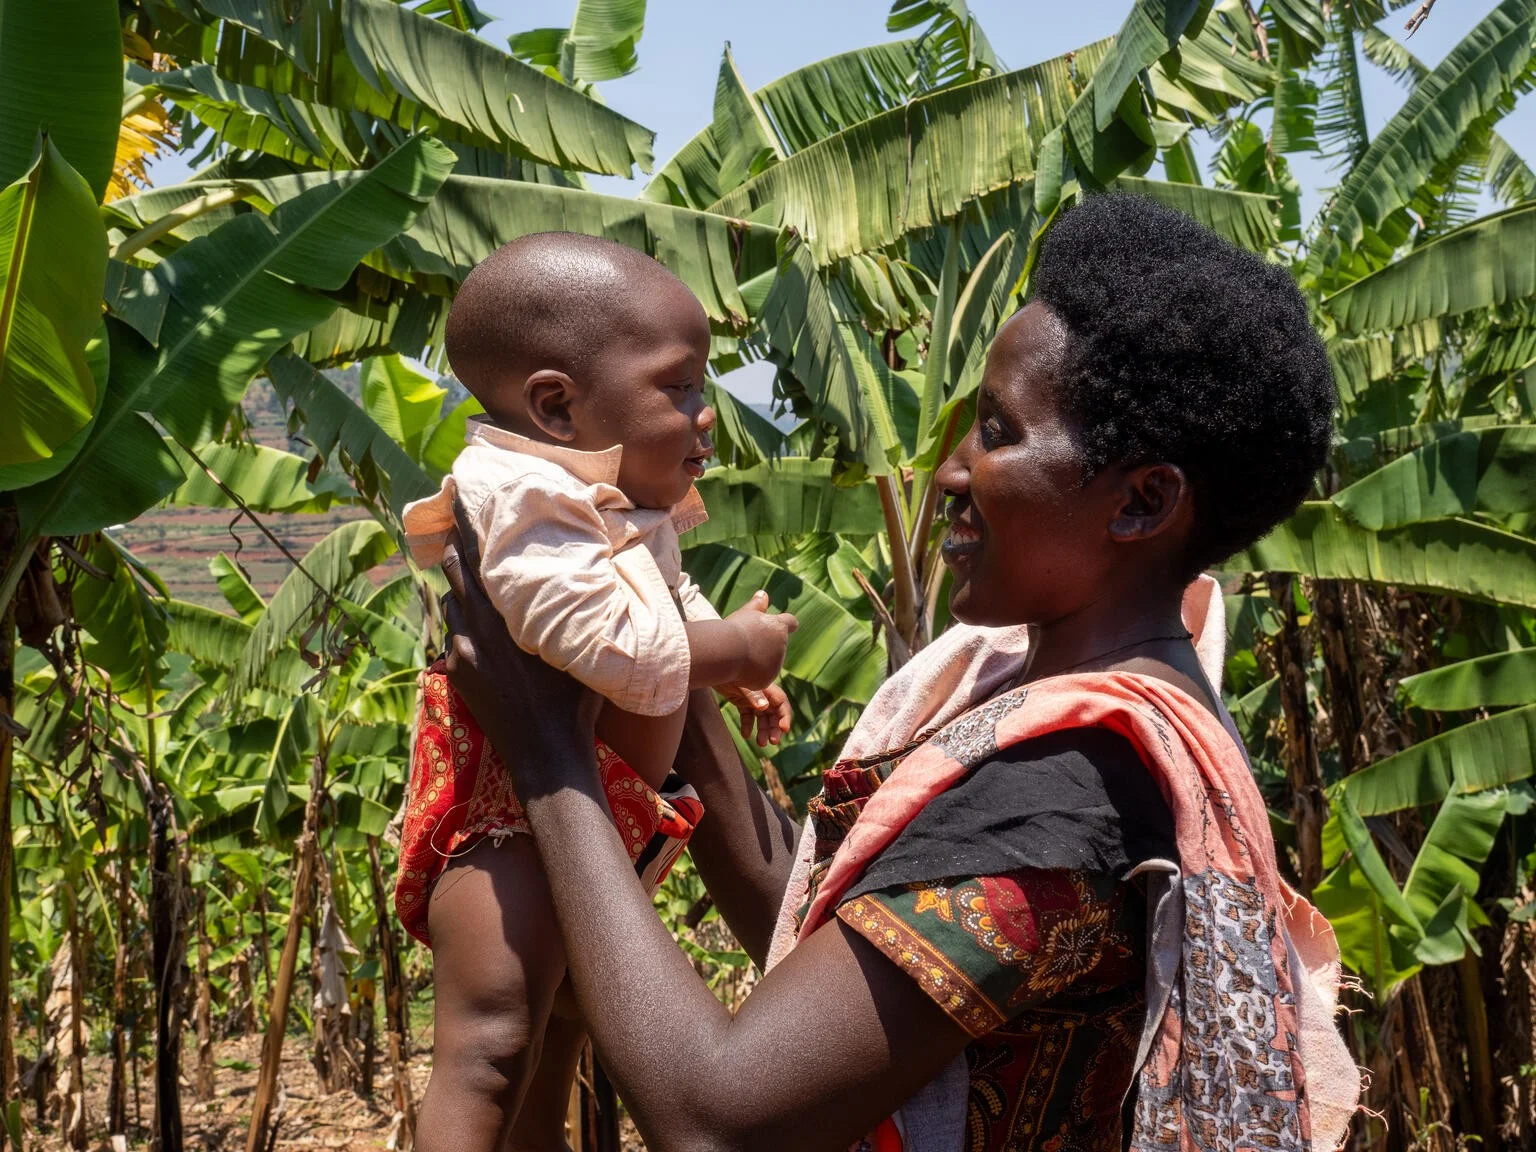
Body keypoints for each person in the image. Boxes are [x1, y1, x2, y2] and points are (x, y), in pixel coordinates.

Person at [439, 196, 1363, 1152]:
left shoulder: (1067, 789)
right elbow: (813, 947)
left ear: (1141, 502)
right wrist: (654, 635)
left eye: (998, 435)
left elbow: (715, 1118)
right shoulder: (1034, 694)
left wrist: (547, 749)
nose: (953, 471)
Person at [395, 233, 798, 1152]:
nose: (706, 415)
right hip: (510, 823)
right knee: (492, 1047)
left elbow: (659, 600)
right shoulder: (524, 498)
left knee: (562, 1037)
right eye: (680, 386)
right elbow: (608, 641)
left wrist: (726, 676)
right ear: (556, 406)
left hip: (594, 820)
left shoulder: (607, 494)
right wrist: (733, 648)